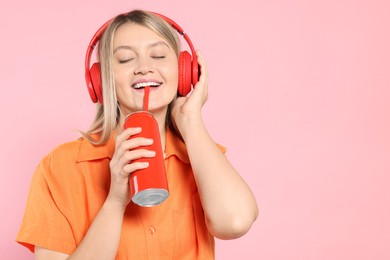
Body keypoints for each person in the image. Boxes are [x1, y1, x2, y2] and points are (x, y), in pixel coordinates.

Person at [16, 9, 259, 259]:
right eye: (125, 60)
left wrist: (190, 119)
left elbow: (235, 222)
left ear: (185, 72)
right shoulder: (60, 166)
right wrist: (115, 202)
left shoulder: (201, 156)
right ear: (101, 80)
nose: (144, 68)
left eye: (159, 55)